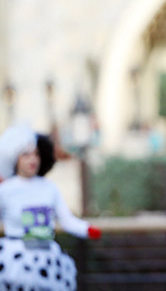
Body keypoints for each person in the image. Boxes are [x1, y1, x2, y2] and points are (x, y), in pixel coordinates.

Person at [0, 124, 102, 290]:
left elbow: (66, 219)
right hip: (15, 262)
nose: (32, 159)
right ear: (15, 158)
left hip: (47, 260)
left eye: (36, 154)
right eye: (26, 155)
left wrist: (88, 229)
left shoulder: (49, 188)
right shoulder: (5, 190)